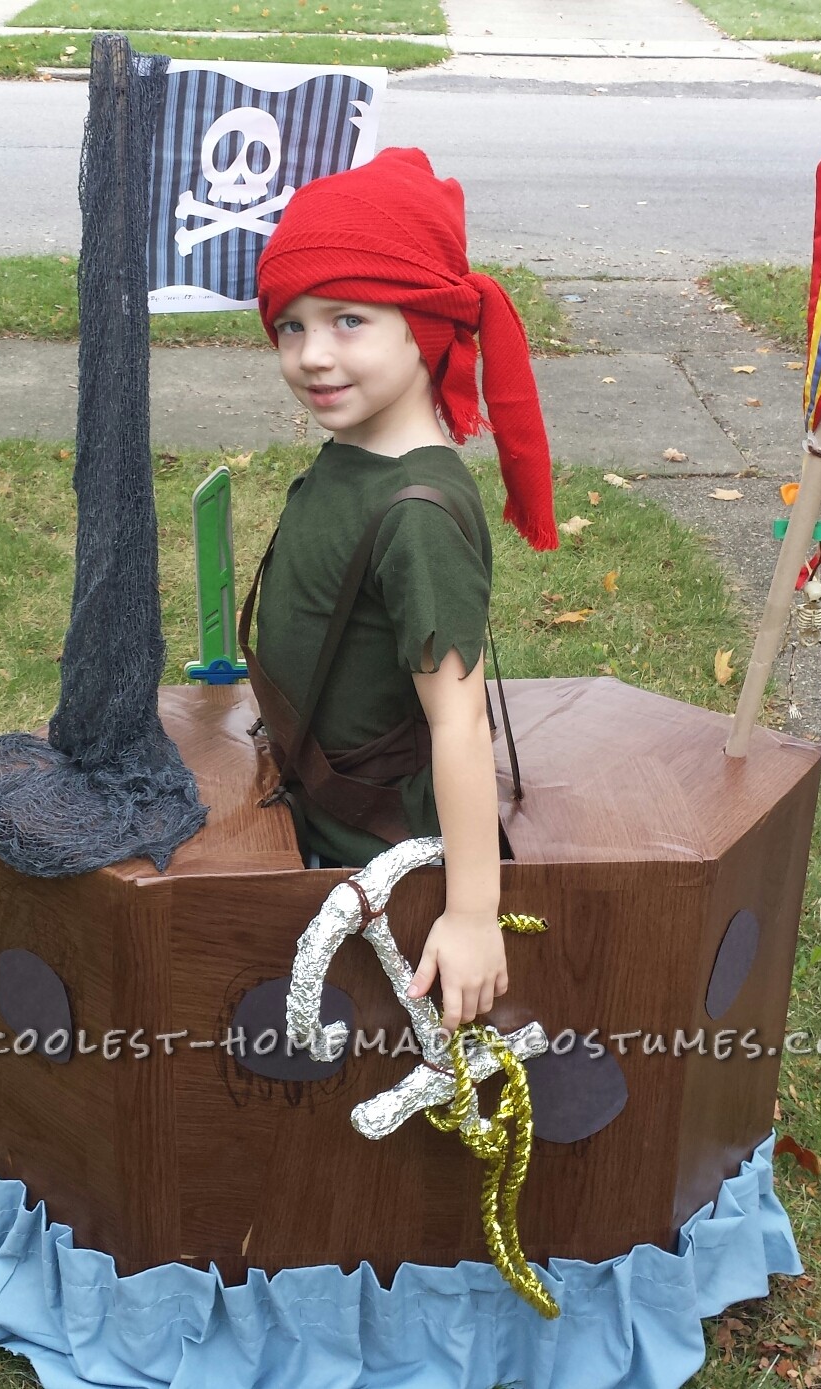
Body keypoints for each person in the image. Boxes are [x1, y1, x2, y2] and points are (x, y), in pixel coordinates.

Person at [244, 147, 557, 1036]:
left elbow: (458, 724)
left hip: (365, 841)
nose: (311, 355)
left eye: (347, 320)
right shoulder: (359, 454)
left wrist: (467, 914)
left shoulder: (417, 511)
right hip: (302, 790)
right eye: (290, 326)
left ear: (423, 328)